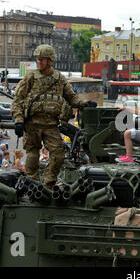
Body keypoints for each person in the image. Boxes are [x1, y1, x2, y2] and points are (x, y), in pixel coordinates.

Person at [11, 44, 96, 190]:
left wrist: (84, 104)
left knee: (58, 154)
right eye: (37, 59)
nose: (39, 62)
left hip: (51, 124)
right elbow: (17, 100)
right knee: (32, 154)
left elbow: (71, 98)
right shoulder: (31, 76)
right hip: (32, 123)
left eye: (42, 59)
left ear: (50, 60)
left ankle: (49, 183)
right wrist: (18, 120)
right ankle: (33, 184)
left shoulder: (59, 79)